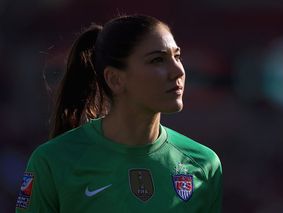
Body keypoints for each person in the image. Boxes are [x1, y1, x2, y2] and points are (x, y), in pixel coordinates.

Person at [15, 14, 222, 212]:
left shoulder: (203, 164)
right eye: (157, 60)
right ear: (115, 79)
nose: (178, 71)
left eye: (177, 56)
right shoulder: (52, 162)